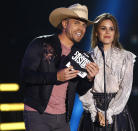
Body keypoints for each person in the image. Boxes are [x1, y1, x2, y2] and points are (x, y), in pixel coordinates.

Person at [20, 3, 99, 131]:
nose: (81, 29)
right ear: (64, 23)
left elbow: (79, 89)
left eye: (84, 25)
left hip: (63, 118)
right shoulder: (41, 43)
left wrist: (89, 79)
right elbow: (26, 76)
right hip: (38, 114)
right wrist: (56, 76)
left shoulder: (78, 56)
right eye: (76, 23)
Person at [78, 13, 136, 131]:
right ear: (96, 32)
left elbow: (125, 89)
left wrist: (108, 112)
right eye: (103, 28)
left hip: (117, 111)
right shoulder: (86, 58)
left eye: (111, 29)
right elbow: (82, 89)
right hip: (92, 110)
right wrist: (95, 111)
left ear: (115, 33)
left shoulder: (126, 57)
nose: (108, 32)